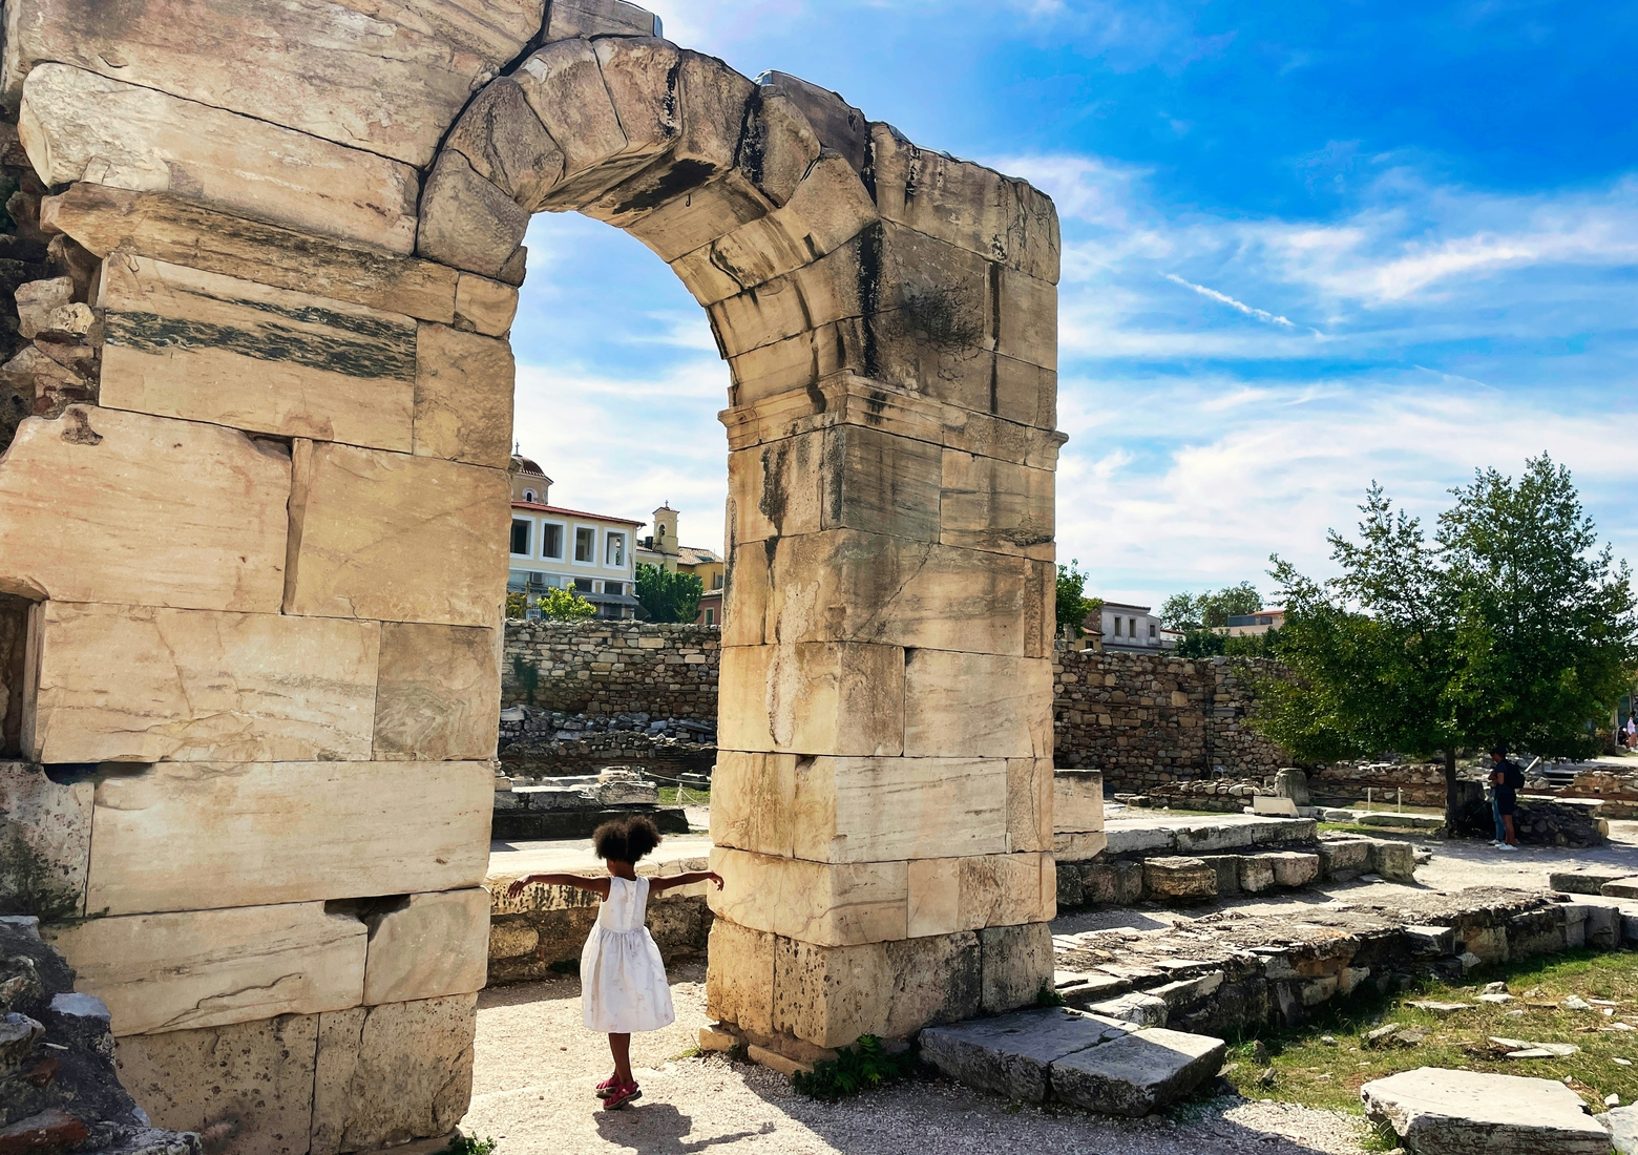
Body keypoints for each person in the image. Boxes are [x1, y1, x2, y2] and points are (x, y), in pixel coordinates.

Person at [505, 816, 724, 1110]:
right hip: (637, 957)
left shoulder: (608, 885)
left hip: (611, 958)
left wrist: (532, 877)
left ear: (610, 858)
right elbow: (680, 879)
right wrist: (708, 873)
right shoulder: (647, 884)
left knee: (614, 1017)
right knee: (620, 1015)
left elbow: (570, 880)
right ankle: (618, 1074)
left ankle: (628, 1082)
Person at [1488, 748, 1524, 850]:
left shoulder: (1500, 766)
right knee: (1506, 819)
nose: (1492, 758)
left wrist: (1495, 779)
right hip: (1510, 793)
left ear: (1497, 755)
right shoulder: (1508, 765)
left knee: (1507, 820)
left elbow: (1501, 781)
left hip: (1504, 794)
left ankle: (1511, 843)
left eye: (1493, 755)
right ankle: (1507, 841)